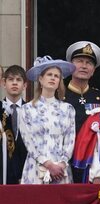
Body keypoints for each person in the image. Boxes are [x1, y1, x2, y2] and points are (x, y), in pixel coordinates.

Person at [19, 56, 76, 184]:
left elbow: (70, 140)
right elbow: (28, 141)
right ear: (40, 79)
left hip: (61, 170)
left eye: (56, 76)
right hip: (35, 167)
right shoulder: (26, 109)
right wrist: (47, 163)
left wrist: (61, 164)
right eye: (49, 74)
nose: (52, 78)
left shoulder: (68, 109)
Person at [64, 41, 100, 134]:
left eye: (89, 63)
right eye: (80, 61)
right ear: (70, 66)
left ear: (93, 70)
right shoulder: (58, 96)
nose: (84, 66)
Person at [0, 65, 27, 184]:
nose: (15, 83)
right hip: (2, 170)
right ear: (3, 83)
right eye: (11, 79)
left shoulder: (32, 110)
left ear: (25, 85)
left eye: (18, 80)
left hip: (26, 170)